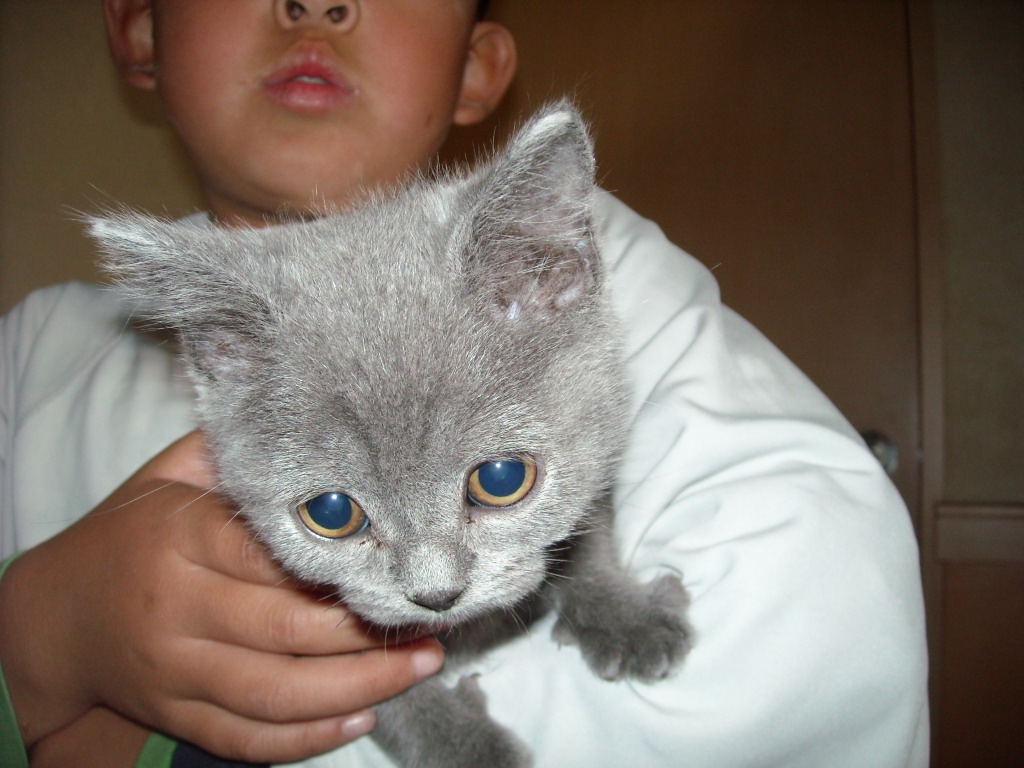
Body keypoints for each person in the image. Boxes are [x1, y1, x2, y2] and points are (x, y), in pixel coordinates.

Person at [0, 1, 929, 767]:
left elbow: (825, 630)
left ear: (482, 66)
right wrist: (38, 637)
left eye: (497, 480)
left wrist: (591, 579)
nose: (432, 583)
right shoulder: (33, 350)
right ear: (136, 31)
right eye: (333, 511)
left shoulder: (549, 279)